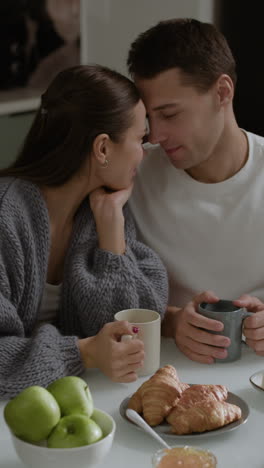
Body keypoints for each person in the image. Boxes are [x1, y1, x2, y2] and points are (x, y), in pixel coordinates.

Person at [0, 64, 168, 399]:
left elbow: (135, 327)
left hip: (72, 404)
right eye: (140, 138)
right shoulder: (6, 217)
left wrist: (112, 235)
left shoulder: (102, 211)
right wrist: (81, 352)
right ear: (103, 148)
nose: (144, 153)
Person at [127, 18, 264, 364]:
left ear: (222, 92)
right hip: (162, 372)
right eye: (149, 118)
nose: (155, 135)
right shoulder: (133, 174)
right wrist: (171, 320)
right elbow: (103, 293)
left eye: (170, 115)